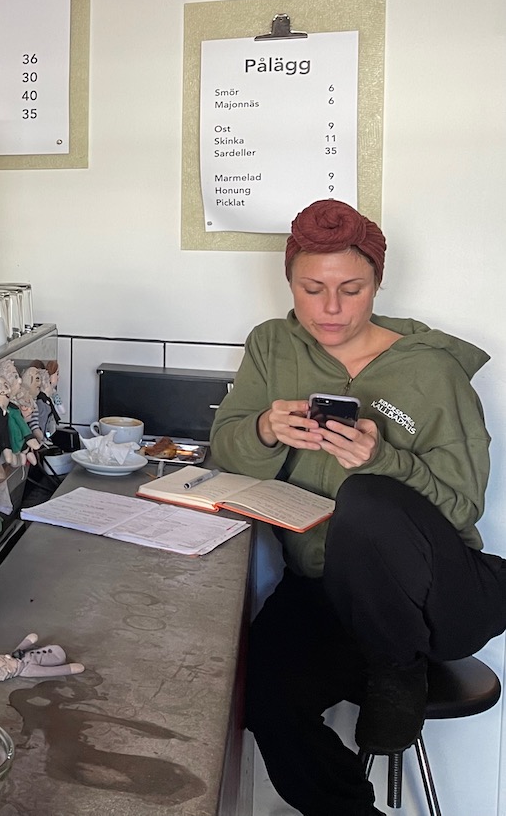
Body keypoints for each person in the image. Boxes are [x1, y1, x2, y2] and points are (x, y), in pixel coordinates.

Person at [211, 199, 506, 816]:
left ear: (378, 282)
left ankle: (398, 670)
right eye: (310, 288)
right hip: (327, 594)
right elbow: (226, 451)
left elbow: (460, 508)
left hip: (433, 598)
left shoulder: (432, 372)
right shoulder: (272, 345)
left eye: (352, 288)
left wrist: (382, 461)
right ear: (288, 282)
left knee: (366, 498)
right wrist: (265, 428)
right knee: (260, 693)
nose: (330, 308)